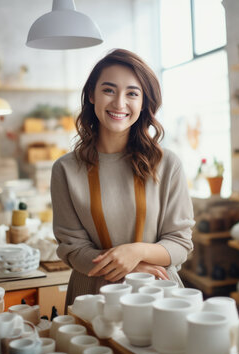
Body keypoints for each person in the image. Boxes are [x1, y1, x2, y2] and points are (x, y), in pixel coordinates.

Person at [51, 49, 195, 305]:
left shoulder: (168, 164)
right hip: (93, 296)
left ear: (143, 103)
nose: (119, 103)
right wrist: (128, 269)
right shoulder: (65, 169)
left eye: (132, 93)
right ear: (92, 95)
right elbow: (72, 248)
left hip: (159, 294)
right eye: (109, 90)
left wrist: (136, 252)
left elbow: (180, 243)